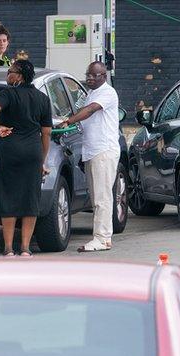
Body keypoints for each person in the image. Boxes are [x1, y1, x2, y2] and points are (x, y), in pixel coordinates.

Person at [0, 59, 53, 257]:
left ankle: (7, 248)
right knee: (31, 197)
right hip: (33, 152)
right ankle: (25, 248)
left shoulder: (8, 94)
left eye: (11, 72)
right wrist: (43, 160)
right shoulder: (42, 98)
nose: (7, 75)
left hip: (11, 151)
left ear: (20, 76)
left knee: (8, 196)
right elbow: (46, 133)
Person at [57, 61, 120, 252]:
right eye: (88, 75)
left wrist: (69, 120)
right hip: (93, 151)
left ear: (104, 76)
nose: (90, 78)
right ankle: (103, 237)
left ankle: (102, 238)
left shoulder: (107, 93)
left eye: (95, 75)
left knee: (102, 198)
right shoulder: (92, 93)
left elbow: (91, 110)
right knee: (97, 198)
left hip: (104, 151)